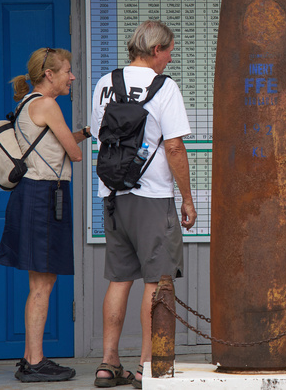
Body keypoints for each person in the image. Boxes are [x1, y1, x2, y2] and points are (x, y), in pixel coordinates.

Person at [90, 20, 196, 388]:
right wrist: (187, 196)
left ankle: (107, 364)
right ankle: (147, 366)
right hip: (152, 197)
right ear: (155, 50)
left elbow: (98, 135)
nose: (170, 58)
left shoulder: (105, 83)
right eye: (169, 51)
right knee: (157, 281)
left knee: (119, 279)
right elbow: (174, 147)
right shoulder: (164, 87)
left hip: (113, 195)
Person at [0, 47, 91, 382]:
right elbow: (74, 154)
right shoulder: (48, 105)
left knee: (40, 281)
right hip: (44, 196)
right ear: (49, 74)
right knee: (42, 284)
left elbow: (55, 143)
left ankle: (29, 356)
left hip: (31, 195)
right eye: (67, 70)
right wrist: (83, 141)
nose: (72, 76)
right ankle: (35, 362)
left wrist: (88, 132)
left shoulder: (28, 104)